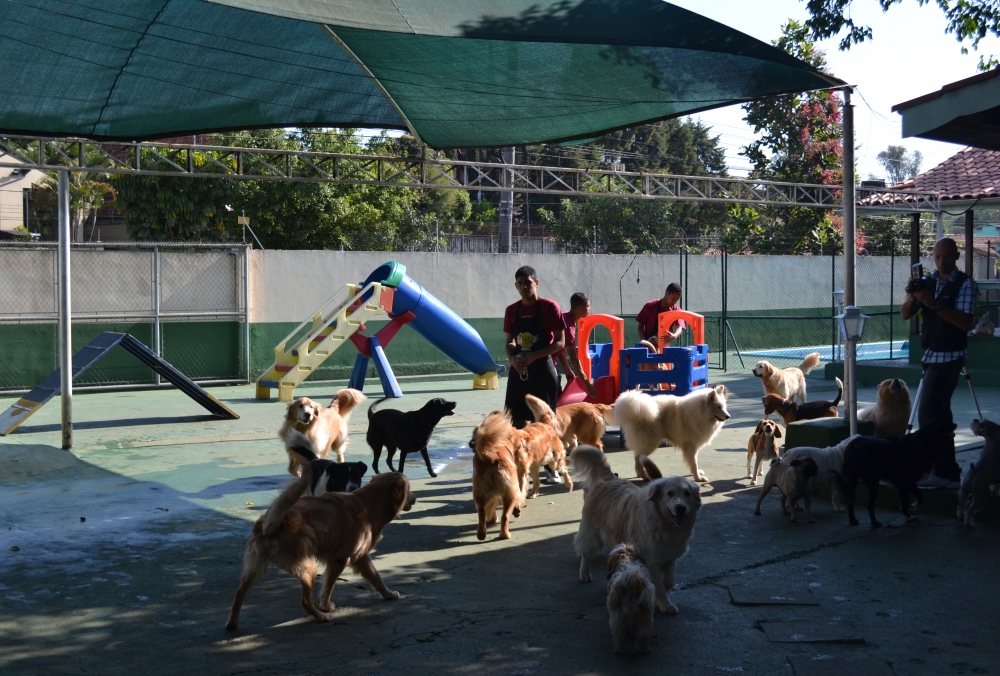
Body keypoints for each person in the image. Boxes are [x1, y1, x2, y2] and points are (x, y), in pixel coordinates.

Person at [900, 237, 977, 489]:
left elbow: (965, 322)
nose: (941, 262)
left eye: (946, 257)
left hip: (951, 355)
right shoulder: (930, 282)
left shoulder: (966, 284)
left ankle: (942, 471)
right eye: (937, 257)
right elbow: (905, 314)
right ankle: (946, 472)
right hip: (931, 354)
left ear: (956, 256)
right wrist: (913, 296)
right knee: (940, 414)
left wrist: (935, 304)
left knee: (929, 413)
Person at [504, 266, 565, 430]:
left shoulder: (550, 307)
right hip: (519, 371)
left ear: (536, 283)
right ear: (516, 286)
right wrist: (512, 359)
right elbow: (510, 342)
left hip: (543, 371)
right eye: (520, 283)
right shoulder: (511, 311)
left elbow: (560, 342)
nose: (524, 287)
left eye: (528, 283)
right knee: (514, 422)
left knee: (545, 423)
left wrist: (534, 356)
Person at [555, 292, 598, 399]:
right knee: (554, 397)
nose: (589, 308)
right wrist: (586, 383)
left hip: (548, 361)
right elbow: (574, 358)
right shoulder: (568, 327)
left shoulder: (566, 317)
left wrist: (567, 368)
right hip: (546, 362)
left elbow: (560, 349)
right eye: (588, 306)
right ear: (580, 308)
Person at [636, 282, 685, 348]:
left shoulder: (676, 310)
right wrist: (644, 341)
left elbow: (679, 327)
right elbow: (640, 326)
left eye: (676, 300)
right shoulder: (650, 306)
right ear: (667, 293)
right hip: (647, 347)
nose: (674, 302)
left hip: (665, 349)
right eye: (673, 298)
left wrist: (674, 335)